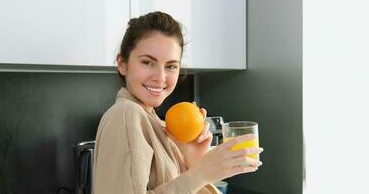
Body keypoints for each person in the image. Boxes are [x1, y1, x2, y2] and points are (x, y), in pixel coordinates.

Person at [93, 11, 263, 194]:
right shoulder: (126, 115)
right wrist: (200, 173)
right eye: (148, 62)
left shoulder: (154, 122)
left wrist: (191, 160)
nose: (160, 77)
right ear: (122, 64)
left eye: (171, 66)